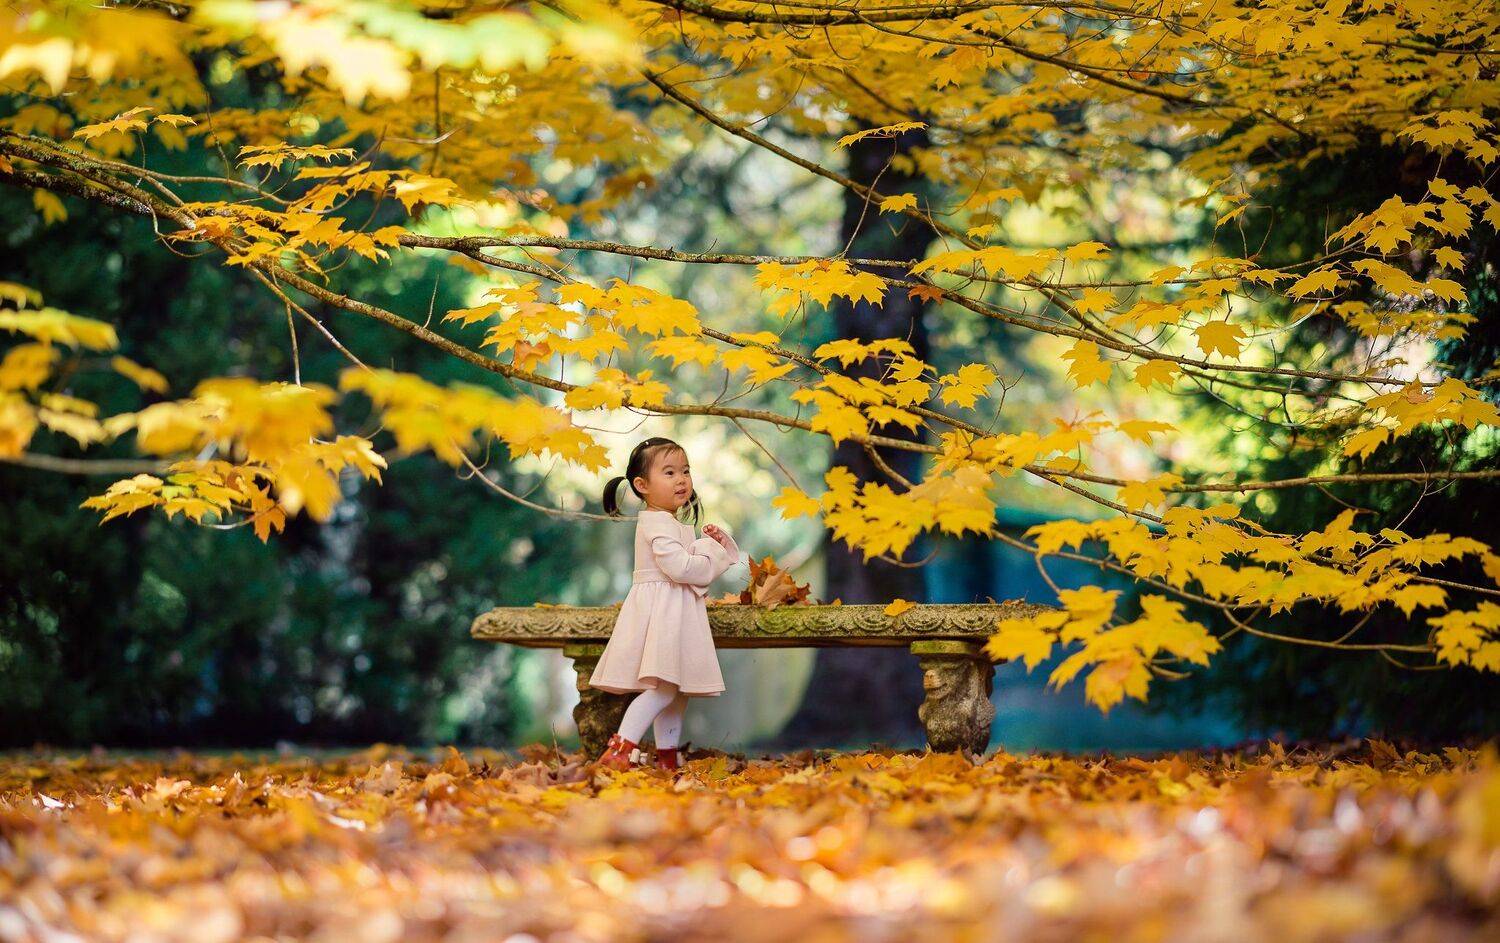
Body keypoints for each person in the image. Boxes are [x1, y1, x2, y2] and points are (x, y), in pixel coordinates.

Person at [589, 436, 742, 771]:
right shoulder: (656, 522)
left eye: (685, 471)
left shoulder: (668, 522)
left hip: (674, 611)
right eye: (669, 473)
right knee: (663, 690)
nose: (681, 479)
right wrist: (713, 552)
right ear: (642, 485)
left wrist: (706, 545)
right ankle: (620, 749)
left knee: (675, 690)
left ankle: (667, 757)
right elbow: (681, 568)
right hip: (664, 614)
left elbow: (683, 564)